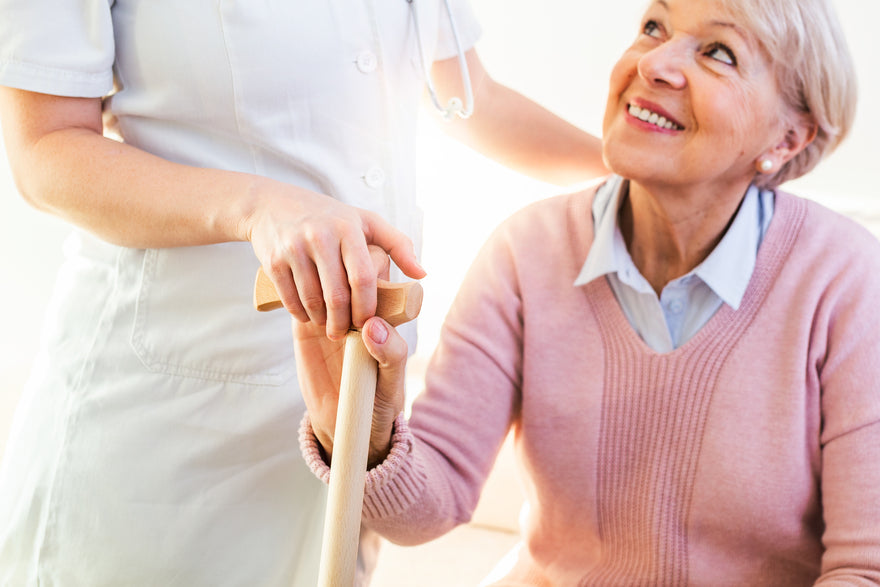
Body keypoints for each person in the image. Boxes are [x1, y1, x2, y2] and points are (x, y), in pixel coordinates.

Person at [0, 0, 608, 585]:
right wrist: (258, 207)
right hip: (165, 425)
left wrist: (641, 170)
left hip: (345, 425)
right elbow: (45, 149)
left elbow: (472, 98)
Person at [296, 0, 880, 583]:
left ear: (788, 137)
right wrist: (360, 435)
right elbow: (429, 505)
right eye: (654, 27)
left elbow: (865, 565)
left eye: (718, 52)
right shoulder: (527, 250)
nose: (655, 63)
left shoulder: (848, 280)